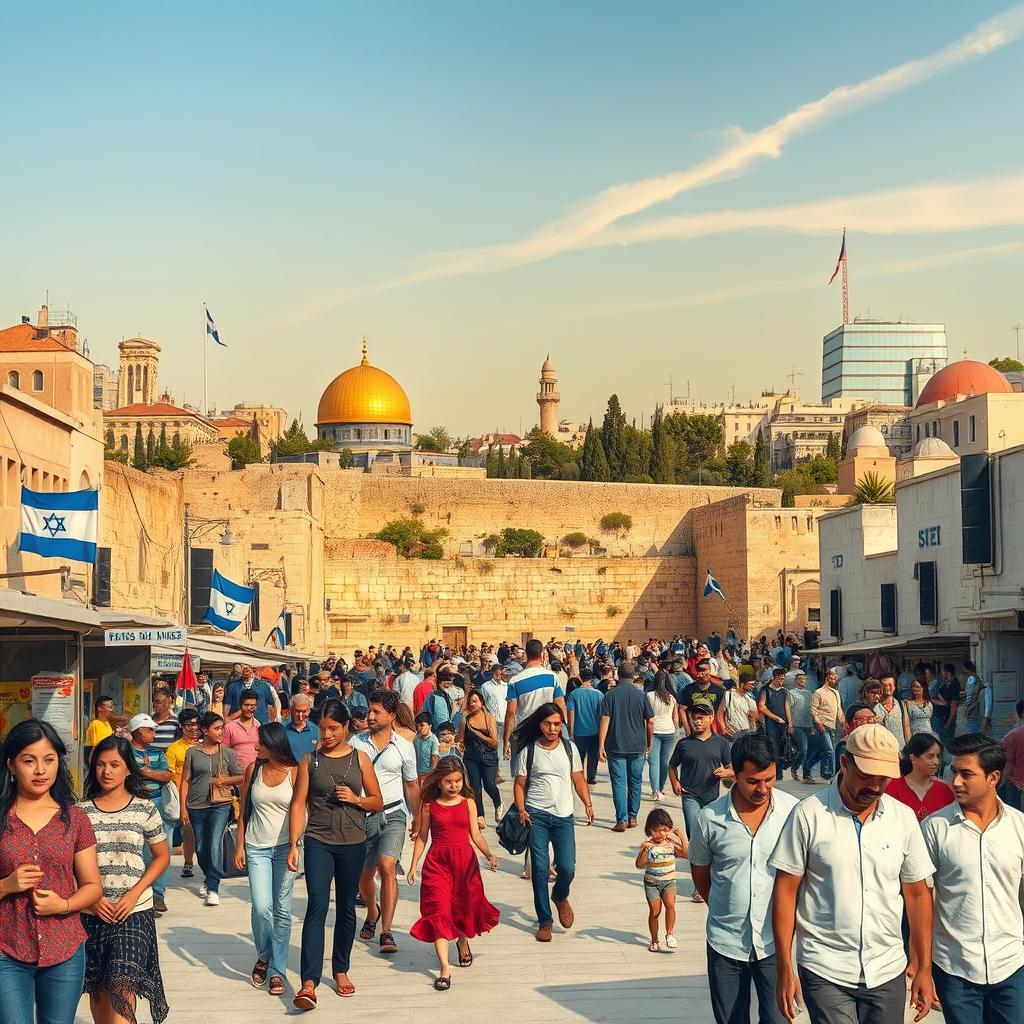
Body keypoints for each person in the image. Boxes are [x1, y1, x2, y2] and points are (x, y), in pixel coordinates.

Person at [770, 723, 936, 1024]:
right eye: (865, 776)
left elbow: (917, 893)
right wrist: (784, 969)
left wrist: (924, 966)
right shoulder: (809, 815)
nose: (874, 787)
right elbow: (785, 890)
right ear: (844, 763)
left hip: (887, 967)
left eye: (883, 779)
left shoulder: (903, 818)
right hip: (825, 967)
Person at [689, 733, 798, 1024]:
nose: (763, 789)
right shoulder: (709, 818)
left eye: (770, 779)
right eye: (753, 781)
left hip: (776, 944)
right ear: (734, 775)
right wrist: (724, 906)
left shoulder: (793, 813)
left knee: (778, 1019)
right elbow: (700, 872)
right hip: (725, 943)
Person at [0, 719, 102, 1024]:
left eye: (49, 759)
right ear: (11, 764)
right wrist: (6, 885)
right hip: (6, 949)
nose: (40, 770)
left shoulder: (74, 819)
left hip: (65, 949)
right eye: (29, 761)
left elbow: (92, 885)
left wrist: (65, 904)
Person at [921, 733, 1024, 1022]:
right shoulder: (934, 829)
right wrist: (923, 968)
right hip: (955, 969)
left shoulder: (1019, 827)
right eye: (953, 772)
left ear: (993, 778)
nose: (955, 782)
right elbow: (921, 902)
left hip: (1011, 966)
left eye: (966, 774)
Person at [288, 700, 383, 1010]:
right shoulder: (309, 761)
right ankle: (309, 981)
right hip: (318, 840)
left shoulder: (361, 759)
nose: (326, 734)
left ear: (345, 728)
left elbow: (377, 801)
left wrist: (356, 799)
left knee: (345, 908)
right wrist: (293, 844)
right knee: (316, 905)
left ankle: (340, 969)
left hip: (353, 842)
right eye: (322, 728)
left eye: (333, 729)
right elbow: (299, 804)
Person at [81, 736, 170, 1024]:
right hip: (92, 912)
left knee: (122, 986)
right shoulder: (79, 813)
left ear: (128, 769)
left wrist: (135, 893)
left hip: (135, 912)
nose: (107, 771)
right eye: (101, 765)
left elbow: (161, 857)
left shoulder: (145, 808)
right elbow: (70, 866)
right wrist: (92, 900)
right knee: (100, 992)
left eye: (114, 765)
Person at [407, 757, 500, 990]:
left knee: (463, 907)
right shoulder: (429, 805)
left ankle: (462, 940)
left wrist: (489, 854)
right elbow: (422, 837)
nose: (454, 785)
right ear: (439, 782)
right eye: (449, 781)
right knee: (438, 910)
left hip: (465, 863)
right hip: (437, 863)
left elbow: (475, 836)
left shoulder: (468, 802)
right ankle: (444, 969)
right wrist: (413, 864)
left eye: (458, 781)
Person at [512, 702, 594, 941]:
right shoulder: (529, 750)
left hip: (564, 816)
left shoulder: (569, 749)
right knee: (539, 869)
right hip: (536, 815)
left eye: (557, 724)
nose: (552, 728)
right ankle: (545, 921)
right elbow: (519, 784)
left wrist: (588, 803)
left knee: (567, 867)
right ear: (539, 724)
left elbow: (578, 778)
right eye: (548, 724)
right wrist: (521, 809)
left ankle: (560, 895)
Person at [233, 722, 299, 997]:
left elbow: (300, 810)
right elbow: (244, 809)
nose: (255, 747)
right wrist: (240, 846)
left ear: (273, 744)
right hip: (256, 847)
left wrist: (296, 844)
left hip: (285, 847)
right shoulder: (253, 769)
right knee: (262, 907)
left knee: (282, 910)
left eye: (259, 743)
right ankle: (264, 953)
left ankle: (277, 970)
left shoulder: (295, 773)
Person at [352, 689, 419, 957]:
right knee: (364, 876)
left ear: (391, 715)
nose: (370, 716)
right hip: (363, 815)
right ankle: (372, 911)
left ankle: (387, 930)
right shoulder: (356, 743)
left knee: (387, 865)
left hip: (394, 813)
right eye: (370, 710)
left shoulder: (404, 746)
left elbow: (412, 785)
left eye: (376, 711)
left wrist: (418, 819)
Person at [179, 711, 243, 907]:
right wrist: (183, 808)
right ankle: (208, 878)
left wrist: (225, 780)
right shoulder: (192, 753)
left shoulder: (228, 753)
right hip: (196, 805)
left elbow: (241, 776)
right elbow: (185, 780)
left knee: (214, 843)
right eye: (216, 728)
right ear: (205, 730)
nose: (221, 732)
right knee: (200, 846)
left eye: (221, 728)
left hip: (220, 805)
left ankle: (213, 887)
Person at [667, 705, 733, 864]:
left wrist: (726, 773)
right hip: (690, 795)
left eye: (700, 718)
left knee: (711, 834)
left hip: (712, 798)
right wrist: (675, 782)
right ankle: (698, 879)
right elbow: (671, 766)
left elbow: (731, 769)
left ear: (710, 719)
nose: (696, 722)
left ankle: (709, 867)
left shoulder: (721, 743)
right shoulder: (684, 744)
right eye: (693, 718)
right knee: (695, 834)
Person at [127, 714, 175, 916]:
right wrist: (146, 773)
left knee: (161, 849)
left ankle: (157, 894)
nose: (154, 733)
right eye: (150, 730)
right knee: (138, 851)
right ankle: (140, 894)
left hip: (157, 801)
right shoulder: (125, 752)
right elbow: (126, 774)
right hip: (134, 804)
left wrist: (144, 772)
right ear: (138, 732)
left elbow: (167, 775)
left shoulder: (157, 752)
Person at [598, 663, 654, 831]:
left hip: (615, 745)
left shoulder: (610, 695)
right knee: (635, 781)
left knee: (619, 783)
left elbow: (605, 719)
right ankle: (633, 816)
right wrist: (649, 741)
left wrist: (600, 745)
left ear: (618, 675)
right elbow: (650, 720)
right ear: (634, 675)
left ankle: (621, 819)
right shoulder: (641, 695)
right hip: (637, 745)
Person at [503, 638, 567, 762]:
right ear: (542, 654)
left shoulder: (515, 681)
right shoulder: (552, 677)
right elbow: (561, 706)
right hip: (548, 731)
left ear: (526, 655)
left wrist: (506, 740)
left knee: (524, 771)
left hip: (525, 732)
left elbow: (511, 713)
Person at [635, 808, 686, 953]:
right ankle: (654, 939)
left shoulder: (670, 843)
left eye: (664, 830)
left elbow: (687, 854)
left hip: (669, 881)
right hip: (652, 883)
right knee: (655, 912)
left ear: (669, 829)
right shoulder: (648, 845)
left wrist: (681, 837)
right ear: (649, 830)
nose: (660, 834)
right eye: (656, 830)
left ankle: (669, 934)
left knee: (670, 905)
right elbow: (639, 865)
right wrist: (643, 851)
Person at [165, 707, 201, 878]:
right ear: (181, 726)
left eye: (196, 724)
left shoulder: (204, 746)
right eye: (189, 725)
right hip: (183, 796)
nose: (193, 728)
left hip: (203, 795)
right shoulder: (173, 749)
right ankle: (188, 862)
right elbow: (170, 774)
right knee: (188, 832)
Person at [887, 732, 955, 822]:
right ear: (913, 758)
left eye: (938, 757)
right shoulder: (893, 788)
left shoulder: (944, 790)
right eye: (930, 757)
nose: (936, 762)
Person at [457, 689, 501, 826]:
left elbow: (495, 742)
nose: (473, 704)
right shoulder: (466, 720)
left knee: (489, 784)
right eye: (470, 702)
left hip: (489, 757)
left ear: (481, 702)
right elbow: (461, 739)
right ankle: (480, 815)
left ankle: (498, 803)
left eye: (475, 701)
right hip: (471, 758)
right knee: (475, 787)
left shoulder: (489, 718)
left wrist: (479, 734)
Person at [566, 668, 603, 787]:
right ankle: (591, 778)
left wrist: (570, 732)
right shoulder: (599, 695)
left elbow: (571, 712)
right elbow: (602, 715)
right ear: (591, 679)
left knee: (579, 756)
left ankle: (579, 776)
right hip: (595, 731)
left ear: (580, 678)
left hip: (579, 731)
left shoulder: (574, 694)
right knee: (593, 756)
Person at [646, 670, 679, 801]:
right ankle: (660, 788)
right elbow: (675, 718)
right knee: (665, 762)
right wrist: (675, 733)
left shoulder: (649, 696)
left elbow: (648, 718)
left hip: (654, 731)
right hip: (669, 731)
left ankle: (655, 791)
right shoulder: (671, 698)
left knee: (653, 762)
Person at [758, 668, 792, 779]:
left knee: (783, 747)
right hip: (771, 723)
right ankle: (772, 772)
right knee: (773, 747)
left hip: (783, 724)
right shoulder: (765, 690)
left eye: (783, 678)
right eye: (781, 678)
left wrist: (790, 723)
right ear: (775, 677)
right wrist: (775, 718)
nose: (782, 680)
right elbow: (762, 707)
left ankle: (780, 773)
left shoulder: (785, 691)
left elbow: (787, 707)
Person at [786, 671, 813, 783]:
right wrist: (790, 724)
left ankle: (807, 774)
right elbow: (787, 708)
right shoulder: (792, 693)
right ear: (796, 681)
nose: (804, 681)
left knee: (809, 751)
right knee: (803, 748)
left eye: (805, 679)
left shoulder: (809, 694)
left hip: (808, 725)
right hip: (797, 725)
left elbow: (812, 710)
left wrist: (813, 726)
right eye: (801, 679)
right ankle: (794, 767)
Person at [223, 689, 261, 769]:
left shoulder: (258, 726)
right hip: (236, 773)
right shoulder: (229, 727)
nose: (249, 708)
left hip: (255, 772)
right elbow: (223, 753)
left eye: (252, 705)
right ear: (240, 706)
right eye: (246, 705)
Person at [721, 672, 759, 739]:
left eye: (754, 684)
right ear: (742, 684)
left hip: (748, 733)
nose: (753, 687)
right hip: (732, 733)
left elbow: (756, 716)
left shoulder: (751, 698)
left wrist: (754, 716)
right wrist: (723, 729)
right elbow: (720, 714)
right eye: (751, 684)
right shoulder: (729, 694)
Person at [931, 663, 960, 749]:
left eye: (942, 670)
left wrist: (949, 722)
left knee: (947, 743)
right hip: (939, 717)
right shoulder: (945, 682)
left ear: (948, 672)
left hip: (946, 718)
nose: (941, 672)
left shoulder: (954, 684)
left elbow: (953, 704)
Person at [283, 693, 319, 762]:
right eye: (297, 711)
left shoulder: (316, 731)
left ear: (309, 711)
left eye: (304, 711)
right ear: (291, 710)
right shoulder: (281, 729)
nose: (300, 716)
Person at [872, 674, 906, 748]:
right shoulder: (874, 708)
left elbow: (906, 727)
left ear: (894, 687)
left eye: (890, 685)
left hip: (900, 749)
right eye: (884, 685)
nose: (887, 687)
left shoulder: (901, 705)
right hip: (883, 750)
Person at [961, 660, 992, 735]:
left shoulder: (971, 678)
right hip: (976, 708)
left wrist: (956, 694)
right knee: (976, 729)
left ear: (966, 668)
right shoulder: (976, 676)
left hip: (972, 708)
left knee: (973, 731)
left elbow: (969, 693)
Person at [85, 695, 118, 761]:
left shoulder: (107, 723)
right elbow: (96, 748)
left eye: (112, 707)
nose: (111, 710)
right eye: (109, 707)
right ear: (100, 708)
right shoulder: (95, 724)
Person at [149, 689, 180, 753]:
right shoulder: (147, 722)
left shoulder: (176, 722)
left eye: (163, 701)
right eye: (157, 701)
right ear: (153, 704)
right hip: (151, 758)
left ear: (169, 703)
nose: (159, 704)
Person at [414, 712, 440, 781]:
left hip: (427, 775)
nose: (419, 728)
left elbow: (435, 758)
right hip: (416, 774)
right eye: (418, 726)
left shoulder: (433, 740)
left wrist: (431, 776)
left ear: (430, 726)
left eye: (422, 725)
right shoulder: (415, 738)